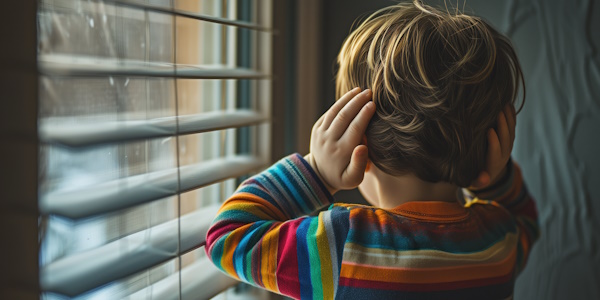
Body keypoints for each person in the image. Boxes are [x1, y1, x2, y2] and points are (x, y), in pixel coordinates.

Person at [205, 1, 539, 299]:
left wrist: (316, 173)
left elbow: (226, 237)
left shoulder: (346, 246)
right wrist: (494, 179)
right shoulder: (498, 240)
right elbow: (527, 219)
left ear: (358, 144)